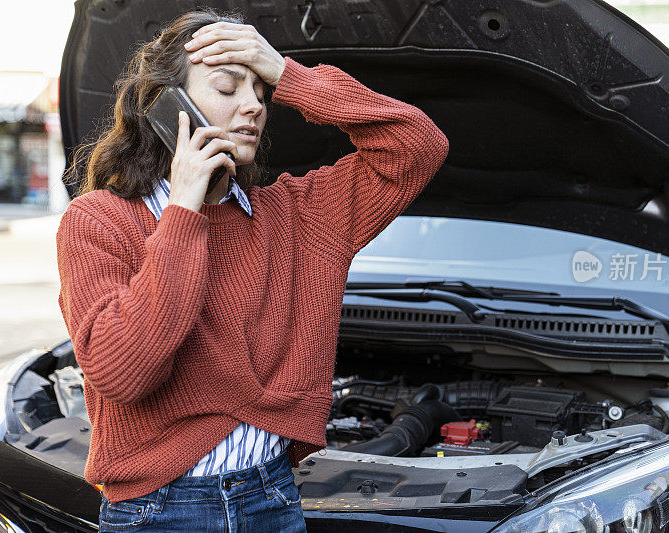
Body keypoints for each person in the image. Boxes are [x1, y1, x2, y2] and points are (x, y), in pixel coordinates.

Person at [56, 8, 448, 532]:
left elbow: (417, 146)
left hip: (271, 498)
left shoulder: (301, 217)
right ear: (166, 109)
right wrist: (184, 214)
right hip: (159, 512)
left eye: (261, 94)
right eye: (226, 87)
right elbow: (124, 373)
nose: (253, 107)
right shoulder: (98, 221)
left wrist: (290, 75)